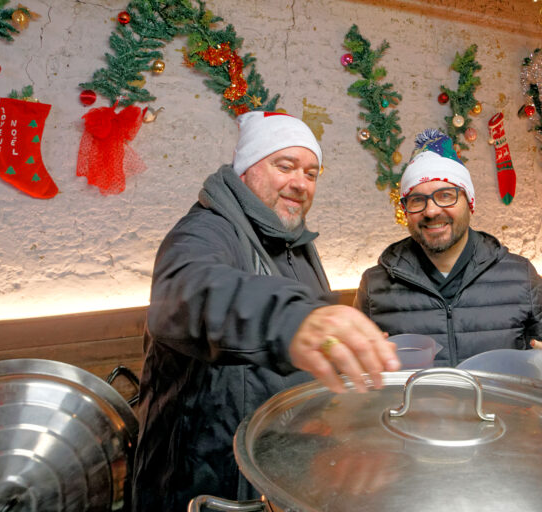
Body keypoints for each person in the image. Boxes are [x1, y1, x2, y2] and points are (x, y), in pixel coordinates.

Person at [132, 111, 400, 511]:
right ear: (245, 171)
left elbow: (292, 356)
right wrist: (295, 321)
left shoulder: (296, 243)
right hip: (205, 483)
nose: (300, 183)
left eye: (311, 173)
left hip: (276, 473)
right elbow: (188, 292)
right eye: (285, 166)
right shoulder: (206, 229)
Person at [354, 128, 542, 390]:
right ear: (406, 211)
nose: (431, 211)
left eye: (446, 195)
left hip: (503, 425)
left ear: (469, 201)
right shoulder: (375, 286)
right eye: (417, 200)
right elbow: (353, 371)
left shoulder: (519, 276)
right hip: (412, 426)